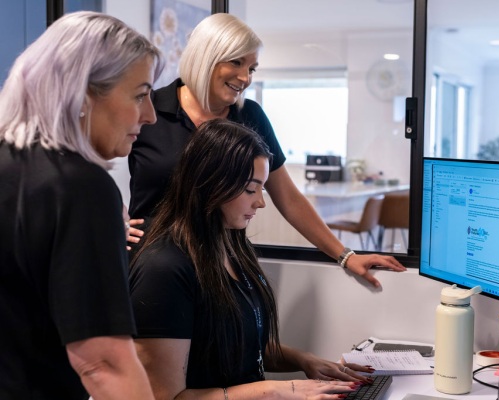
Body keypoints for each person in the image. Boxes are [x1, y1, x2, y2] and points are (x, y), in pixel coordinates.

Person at [127, 13, 406, 288]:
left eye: (251, 68)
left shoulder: (249, 116)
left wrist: (345, 255)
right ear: (205, 57)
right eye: (236, 62)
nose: (245, 77)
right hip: (154, 267)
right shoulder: (151, 107)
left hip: (222, 268)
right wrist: (115, 219)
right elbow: (89, 159)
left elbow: (288, 197)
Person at [129, 119, 373, 400]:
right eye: (250, 190)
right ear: (212, 183)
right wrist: (277, 389)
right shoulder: (164, 270)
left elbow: (240, 344)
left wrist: (303, 360)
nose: (261, 202)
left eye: (262, 189)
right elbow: (168, 397)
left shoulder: (232, 245)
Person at [0, 11, 164, 399]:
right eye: (140, 95)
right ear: (82, 94)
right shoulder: (79, 188)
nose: (151, 116)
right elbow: (104, 364)